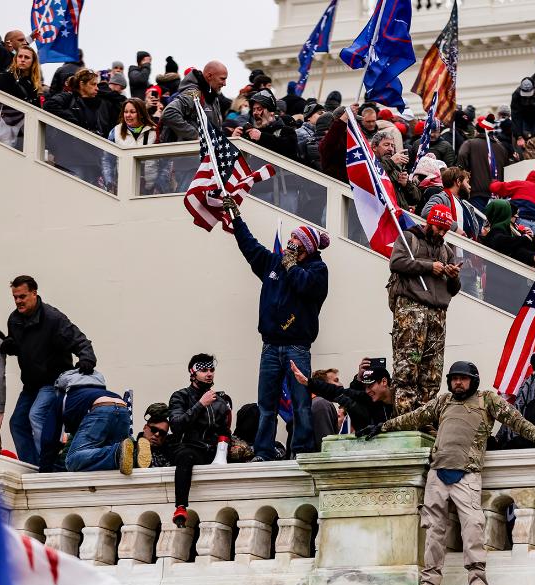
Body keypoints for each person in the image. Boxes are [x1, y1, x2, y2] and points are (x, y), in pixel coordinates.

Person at [356, 361, 535, 585]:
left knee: (473, 528)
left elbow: (516, 421)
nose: (458, 382)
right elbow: (413, 418)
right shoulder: (443, 401)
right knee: (433, 530)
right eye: (454, 378)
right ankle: (430, 584)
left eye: (463, 378)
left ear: (473, 380)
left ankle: (478, 583)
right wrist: (382, 427)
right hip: (437, 473)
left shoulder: (487, 400)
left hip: (467, 473)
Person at [230, 206, 329, 460]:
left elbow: (305, 287)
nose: (290, 242)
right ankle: (263, 452)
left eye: (296, 239)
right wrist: (236, 220)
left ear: (307, 246)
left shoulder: (318, 270)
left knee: (301, 405)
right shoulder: (274, 262)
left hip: (297, 346)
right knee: (266, 405)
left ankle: (302, 451)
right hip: (270, 345)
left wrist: (291, 266)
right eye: (291, 237)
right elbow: (250, 248)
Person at [2, 275, 96, 472]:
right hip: (30, 384)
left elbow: (80, 340)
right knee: (17, 422)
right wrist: (11, 346)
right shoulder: (14, 320)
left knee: (36, 415)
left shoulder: (53, 319)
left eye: (22, 296)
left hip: (53, 380)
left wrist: (87, 358)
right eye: (15, 297)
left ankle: (50, 466)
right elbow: (20, 344)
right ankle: (32, 466)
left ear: (34, 293)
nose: (18, 301)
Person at [388, 205, 461, 416]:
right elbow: (397, 262)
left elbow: (454, 290)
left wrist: (453, 274)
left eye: (445, 230)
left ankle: (424, 418)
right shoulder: (409, 238)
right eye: (439, 228)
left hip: (437, 314)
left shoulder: (446, 251)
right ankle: (404, 417)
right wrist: (429, 266)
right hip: (411, 309)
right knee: (407, 366)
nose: (442, 233)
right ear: (429, 222)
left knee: (432, 372)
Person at [168, 354, 233, 526]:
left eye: (211, 370)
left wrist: (222, 451)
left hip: (212, 452)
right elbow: (176, 425)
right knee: (185, 456)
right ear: (193, 372)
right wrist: (200, 405)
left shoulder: (220, 401)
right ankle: (180, 507)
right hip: (189, 448)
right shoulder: (180, 396)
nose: (209, 374)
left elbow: (225, 431)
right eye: (204, 370)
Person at [61, 372, 134, 475]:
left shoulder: (67, 396)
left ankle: (117, 452)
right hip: (123, 408)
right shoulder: (99, 390)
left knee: (72, 459)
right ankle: (135, 455)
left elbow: (51, 437)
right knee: (122, 459)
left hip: (102, 408)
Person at [292, 358, 392, 433]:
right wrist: (308, 382)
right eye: (365, 386)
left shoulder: (405, 396)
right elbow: (336, 391)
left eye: (370, 386)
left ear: (384, 381)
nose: (367, 390)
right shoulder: (367, 398)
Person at [160, 60, 228, 142]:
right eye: (222, 79)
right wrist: (196, 135)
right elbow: (169, 113)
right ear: (209, 76)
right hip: (189, 152)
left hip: (205, 151)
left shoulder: (212, 96)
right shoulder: (194, 93)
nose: (225, 84)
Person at [457, 117, 509, 215]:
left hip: (476, 193)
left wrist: (462, 172)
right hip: (497, 197)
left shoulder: (469, 144)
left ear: (477, 131)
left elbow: (461, 157)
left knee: (478, 226)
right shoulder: (502, 148)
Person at [43, 69, 117, 137]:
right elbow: (49, 105)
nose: (97, 88)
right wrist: (73, 121)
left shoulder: (100, 103)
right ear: (82, 84)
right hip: (69, 147)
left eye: (97, 85)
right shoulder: (68, 97)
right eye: (93, 84)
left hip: (92, 148)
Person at [104, 98, 158, 191]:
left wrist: (159, 184)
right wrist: (109, 181)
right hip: (123, 188)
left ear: (141, 114)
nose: (128, 115)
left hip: (149, 189)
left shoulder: (154, 132)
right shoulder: (115, 132)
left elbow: (164, 162)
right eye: (125, 112)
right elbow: (108, 160)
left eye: (132, 112)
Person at [236, 89, 299, 161]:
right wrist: (236, 139)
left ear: (271, 112)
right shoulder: (252, 133)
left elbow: (290, 149)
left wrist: (262, 137)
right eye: (254, 110)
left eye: (259, 109)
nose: (255, 113)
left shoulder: (286, 131)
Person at [489, 170, 535, 238]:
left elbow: (495, 187)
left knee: (517, 244)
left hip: (521, 221)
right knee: (532, 247)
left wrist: (494, 182)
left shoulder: (521, 184)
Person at [481, 200, 535, 267]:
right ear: (504, 214)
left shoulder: (507, 232)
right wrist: (523, 238)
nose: (516, 217)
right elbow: (502, 242)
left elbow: (518, 249)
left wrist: (532, 239)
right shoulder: (496, 231)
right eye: (510, 214)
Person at [373, 130, 421, 212]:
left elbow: (416, 199)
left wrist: (406, 185)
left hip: (400, 216)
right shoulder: (370, 163)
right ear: (374, 147)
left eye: (392, 146)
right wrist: (391, 162)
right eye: (386, 145)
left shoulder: (397, 168)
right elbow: (373, 176)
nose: (390, 149)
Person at [136, 403, 172, 468]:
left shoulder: (170, 452)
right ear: (145, 428)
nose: (157, 434)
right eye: (154, 429)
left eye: (162, 433)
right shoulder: (132, 449)